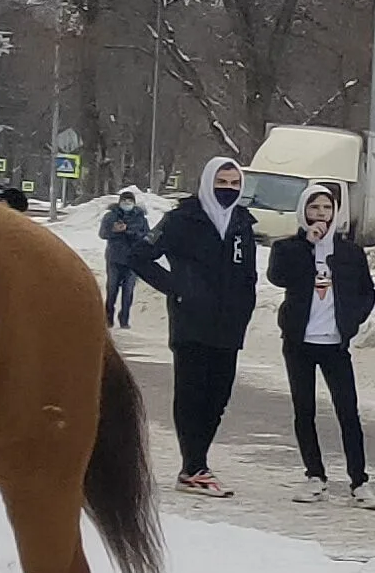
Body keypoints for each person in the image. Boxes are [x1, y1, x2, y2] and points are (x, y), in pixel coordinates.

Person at [147, 153, 262, 496]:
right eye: (221, 183)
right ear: (208, 182)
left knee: (219, 396)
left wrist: (245, 307)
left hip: (229, 325)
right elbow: (140, 255)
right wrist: (178, 287)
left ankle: (199, 460)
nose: (227, 189)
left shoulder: (242, 223)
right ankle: (193, 466)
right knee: (192, 393)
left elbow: (248, 273)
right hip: (191, 323)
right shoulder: (182, 219)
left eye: (234, 184)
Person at [267, 182, 375, 507]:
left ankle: (359, 481)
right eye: (315, 208)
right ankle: (314, 475)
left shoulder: (349, 251)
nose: (321, 215)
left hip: (334, 343)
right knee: (305, 410)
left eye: (327, 208)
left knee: (348, 411)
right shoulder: (289, 247)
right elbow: (278, 277)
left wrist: (352, 320)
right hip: (299, 340)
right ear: (304, 211)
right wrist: (307, 244)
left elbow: (367, 291)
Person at [99, 187, 152, 329]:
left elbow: (146, 235)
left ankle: (124, 320)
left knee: (128, 292)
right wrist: (114, 231)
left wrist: (129, 232)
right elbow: (103, 234)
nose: (127, 203)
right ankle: (108, 318)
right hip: (114, 258)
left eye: (130, 201)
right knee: (112, 289)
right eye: (124, 201)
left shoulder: (140, 218)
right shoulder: (110, 216)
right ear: (119, 202)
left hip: (132, 259)